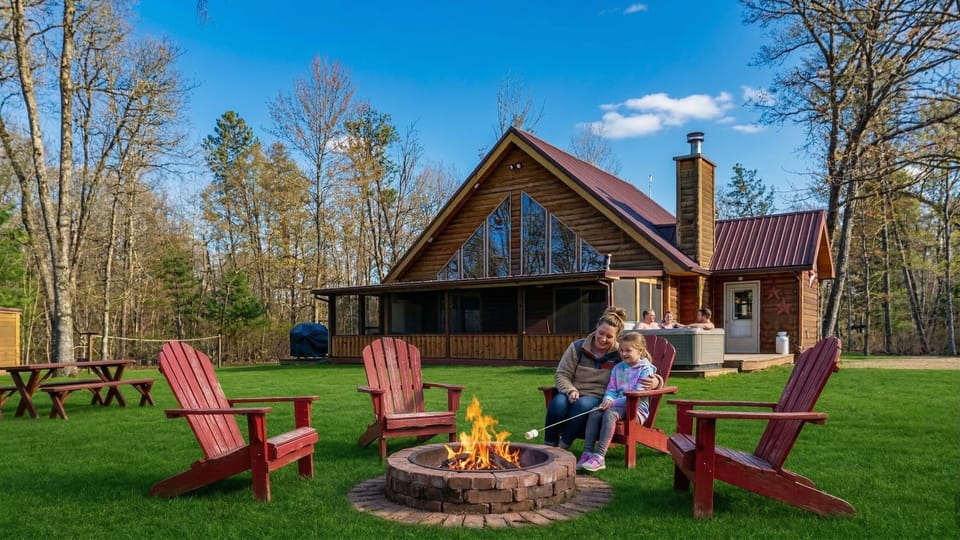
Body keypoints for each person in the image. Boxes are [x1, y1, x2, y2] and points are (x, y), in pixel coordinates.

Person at [544, 307, 661, 449]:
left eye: (609, 336)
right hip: (572, 392)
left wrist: (657, 381)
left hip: (599, 397)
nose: (603, 339)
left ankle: (563, 446)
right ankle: (548, 446)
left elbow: (642, 364)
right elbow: (562, 373)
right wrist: (570, 390)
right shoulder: (578, 347)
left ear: (616, 337)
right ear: (596, 328)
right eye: (601, 333)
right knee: (557, 404)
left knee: (582, 405)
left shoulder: (621, 353)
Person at [578, 331, 657, 472]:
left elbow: (636, 395)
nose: (624, 353)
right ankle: (587, 453)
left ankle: (600, 456)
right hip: (616, 406)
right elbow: (611, 389)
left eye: (628, 350)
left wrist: (612, 403)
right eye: (621, 350)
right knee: (595, 412)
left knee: (610, 414)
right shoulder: (618, 368)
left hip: (635, 410)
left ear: (640, 351)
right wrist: (608, 399)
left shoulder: (646, 370)